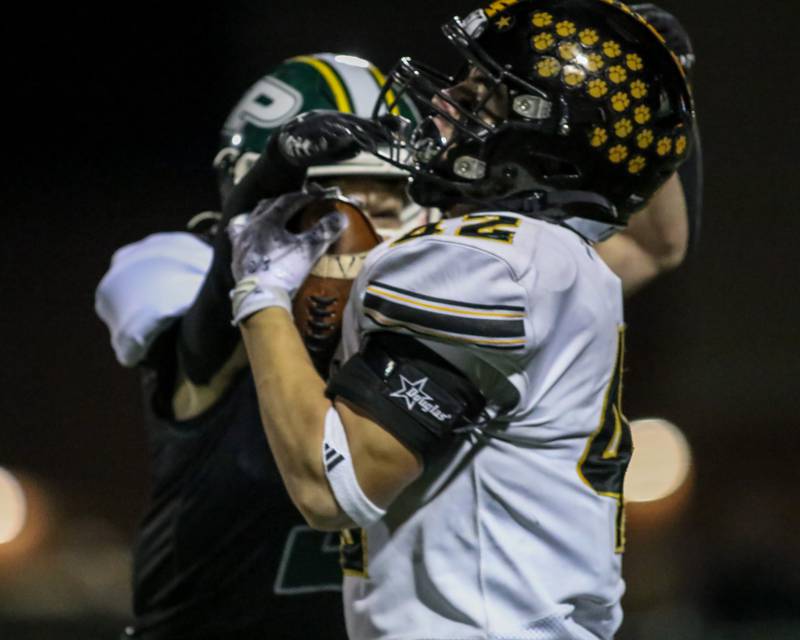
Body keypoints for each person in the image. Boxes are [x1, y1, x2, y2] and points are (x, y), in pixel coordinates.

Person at [222, 1, 695, 639]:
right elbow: (656, 244)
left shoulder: (485, 261)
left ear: (541, 131)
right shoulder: (555, 259)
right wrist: (643, 94)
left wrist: (259, 290)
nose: (448, 100)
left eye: (484, 93)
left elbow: (332, 488)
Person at [96, 52, 431, 640]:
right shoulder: (172, 269)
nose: (377, 230)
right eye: (345, 198)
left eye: (392, 197)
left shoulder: (456, 310)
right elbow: (197, 355)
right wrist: (267, 189)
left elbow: (640, 246)